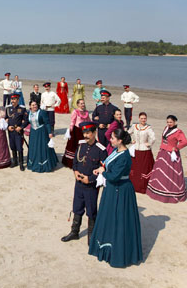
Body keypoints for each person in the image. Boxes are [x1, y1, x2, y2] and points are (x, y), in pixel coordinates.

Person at [89, 128, 142, 268]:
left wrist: (103, 172)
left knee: (118, 219)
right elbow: (107, 165)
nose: (110, 140)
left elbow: (114, 176)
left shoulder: (124, 156)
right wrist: (101, 170)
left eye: (112, 138)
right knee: (108, 217)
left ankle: (117, 253)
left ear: (120, 141)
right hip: (111, 189)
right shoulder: (115, 150)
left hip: (120, 190)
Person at [61, 122, 107, 245]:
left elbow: (103, 170)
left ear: (94, 133)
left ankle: (91, 236)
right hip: (79, 183)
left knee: (91, 210)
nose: (85, 135)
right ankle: (74, 232)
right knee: (77, 207)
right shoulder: (81, 145)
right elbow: (75, 160)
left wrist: (90, 179)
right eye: (84, 133)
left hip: (91, 186)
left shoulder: (101, 150)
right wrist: (75, 171)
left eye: (88, 133)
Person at [147, 115, 187, 203]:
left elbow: (184, 142)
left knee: (170, 173)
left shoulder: (178, 132)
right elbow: (163, 140)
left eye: (171, 122)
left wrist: (176, 148)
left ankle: (170, 193)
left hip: (171, 154)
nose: (169, 124)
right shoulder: (166, 128)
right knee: (161, 172)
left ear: (175, 122)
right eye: (168, 122)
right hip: (163, 153)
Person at [128, 112, 155, 194]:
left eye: (144, 118)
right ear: (139, 119)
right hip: (135, 150)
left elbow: (153, 138)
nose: (143, 120)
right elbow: (127, 133)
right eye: (142, 118)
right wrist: (131, 140)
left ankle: (142, 186)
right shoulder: (134, 126)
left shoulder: (148, 128)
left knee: (143, 169)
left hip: (145, 151)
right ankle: (133, 185)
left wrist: (149, 143)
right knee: (135, 168)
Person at [27, 101, 58, 172]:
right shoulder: (29, 113)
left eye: (35, 104)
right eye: (33, 105)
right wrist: (21, 127)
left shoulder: (42, 112)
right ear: (30, 106)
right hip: (33, 133)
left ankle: (43, 164)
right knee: (33, 147)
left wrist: (49, 132)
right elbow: (26, 122)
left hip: (41, 132)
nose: (35, 106)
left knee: (41, 147)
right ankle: (33, 163)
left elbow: (47, 123)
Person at [62, 99, 91, 169]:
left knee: (84, 145)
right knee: (74, 146)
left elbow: (89, 121)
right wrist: (71, 130)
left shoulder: (86, 112)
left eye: (83, 103)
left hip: (84, 131)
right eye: (81, 103)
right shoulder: (75, 112)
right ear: (78, 104)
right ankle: (72, 162)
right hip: (76, 131)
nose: (82, 105)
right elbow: (72, 121)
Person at [6, 93, 29, 171]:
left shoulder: (22, 109)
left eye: (14, 99)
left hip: (18, 132)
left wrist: (21, 127)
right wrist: (7, 127)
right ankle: (15, 161)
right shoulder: (8, 109)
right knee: (12, 146)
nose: (13, 100)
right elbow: (5, 119)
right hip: (11, 131)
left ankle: (21, 163)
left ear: (18, 100)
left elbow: (26, 120)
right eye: (12, 99)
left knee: (19, 147)